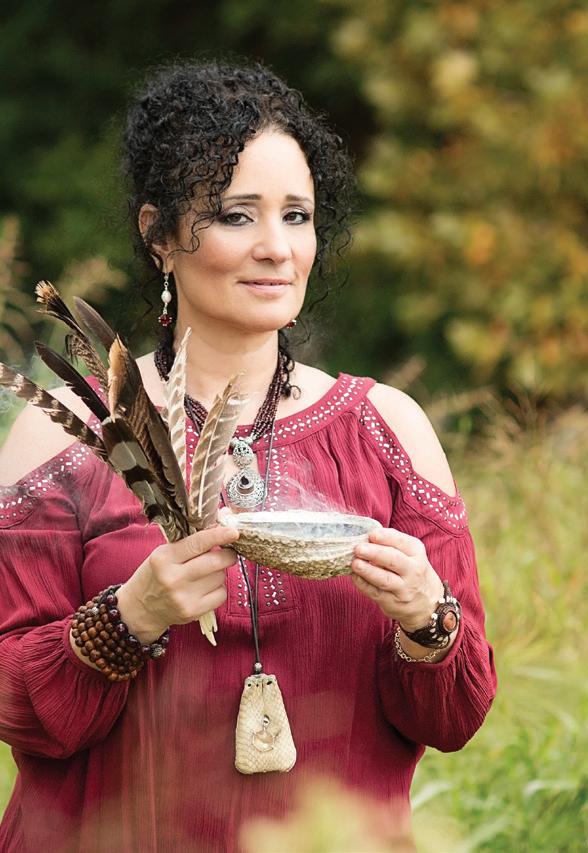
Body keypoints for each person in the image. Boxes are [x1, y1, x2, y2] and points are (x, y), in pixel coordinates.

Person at [0, 61, 496, 851]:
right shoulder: (67, 436)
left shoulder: (389, 431)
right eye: (237, 216)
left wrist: (427, 618)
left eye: (297, 215)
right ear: (158, 235)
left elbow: (456, 716)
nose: (276, 248)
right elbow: (17, 707)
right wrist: (130, 616)